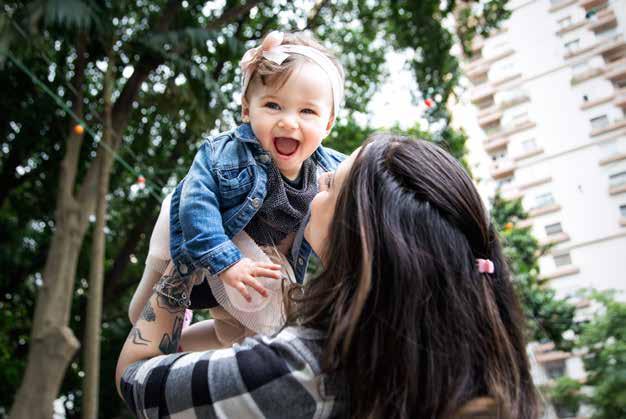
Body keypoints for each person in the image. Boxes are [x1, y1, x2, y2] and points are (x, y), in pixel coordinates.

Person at [117, 134, 539, 419]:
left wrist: (188, 248)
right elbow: (227, 345)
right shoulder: (485, 382)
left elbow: (136, 379)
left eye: (332, 182)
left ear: (358, 236)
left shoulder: (301, 375)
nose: (317, 176)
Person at [128, 30, 346, 348]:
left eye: (307, 111)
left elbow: (365, 178)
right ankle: (165, 311)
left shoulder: (330, 170)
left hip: (257, 250)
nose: (289, 122)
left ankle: (179, 347)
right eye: (273, 105)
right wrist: (227, 261)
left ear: (327, 124)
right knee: (143, 314)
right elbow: (196, 205)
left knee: (240, 332)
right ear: (247, 109)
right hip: (192, 231)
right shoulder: (224, 154)